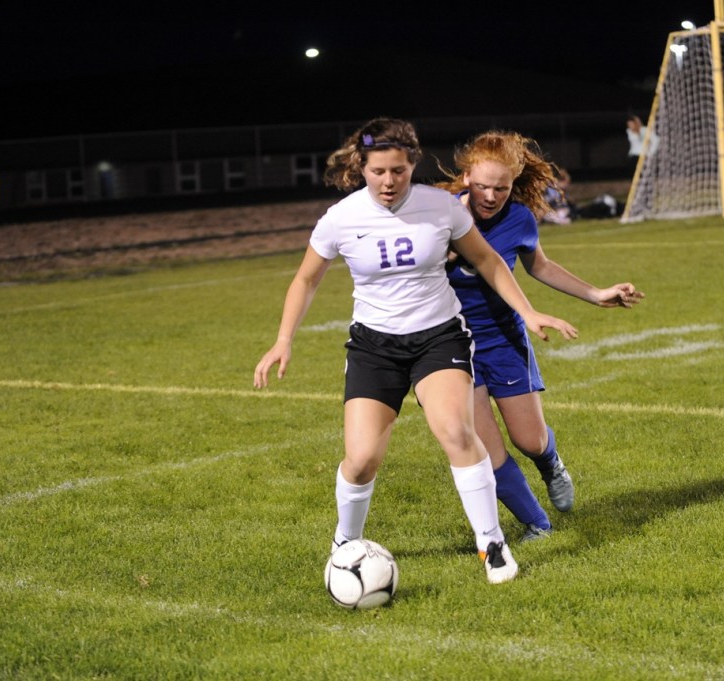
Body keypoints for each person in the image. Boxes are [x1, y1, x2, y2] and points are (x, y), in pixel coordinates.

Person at [252, 118, 576, 584]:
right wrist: (283, 339)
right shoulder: (341, 217)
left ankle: (492, 545)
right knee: (361, 460)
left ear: (412, 165)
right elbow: (306, 279)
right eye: (378, 171)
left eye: (399, 171)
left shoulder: (439, 206)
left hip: (438, 338)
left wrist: (527, 312)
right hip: (374, 347)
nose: (389, 181)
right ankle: (345, 543)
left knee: (458, 433)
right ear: (361, 167)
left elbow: (486, 259)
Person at [435, 130, 644, 541]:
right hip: (449, 344)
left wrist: (595, 293)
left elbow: (540, 267)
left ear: (513, 182)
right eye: (482, 186)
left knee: (529, 440)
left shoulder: (518, 219)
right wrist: (449, 246)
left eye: (501, 188)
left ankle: (550, 463)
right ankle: (537, 522)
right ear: (466, 176)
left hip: (502, 337)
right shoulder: (438, 215)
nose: (491, 196)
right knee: (484, 449)